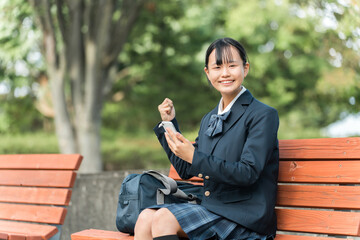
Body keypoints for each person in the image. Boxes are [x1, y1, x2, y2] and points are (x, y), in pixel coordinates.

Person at [134, 37, 279, 240]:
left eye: (232, 65)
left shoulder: (262, 115)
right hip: (214, 208)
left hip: (245, 217)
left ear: (245, 69)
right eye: (217, 67)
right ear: (207, 73)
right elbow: (186, 169)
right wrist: (169, 124)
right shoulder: (210, 118)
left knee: (164, 218)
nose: (225, 73)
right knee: (145, 217)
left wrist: (195, 156)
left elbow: (248, 172)